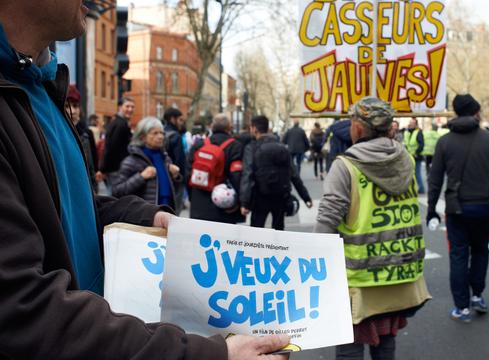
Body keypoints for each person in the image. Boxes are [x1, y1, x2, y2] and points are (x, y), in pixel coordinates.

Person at [0, 1, 289, 358]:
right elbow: (22, 312)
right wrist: (212, 355)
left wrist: (144, 217)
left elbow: (66, 208)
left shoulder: (40, 88)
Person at [315, 97, 430, 360]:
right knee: (386, 343)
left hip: (360, 280)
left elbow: (326, 224)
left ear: (357, 126)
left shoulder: (345, 166)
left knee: (349, 349)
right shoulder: (407, 160)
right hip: (400, 274)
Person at [427, 94, 489, 323]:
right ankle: (478, 296)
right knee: (481, 251)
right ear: (475, 112)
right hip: (484, 207)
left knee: (458, 255)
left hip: (456, 209)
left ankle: (461, 307)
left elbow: (435, 180)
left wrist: (431, 208)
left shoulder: (444, 142)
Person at [240, 115, 313, 230]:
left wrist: (245, 202)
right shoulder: (282, 147)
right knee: (278, 230)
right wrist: (306, 197)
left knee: (256, 231)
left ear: (254, 129)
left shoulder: (252, 148)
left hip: (260, 196)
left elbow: (247, 175)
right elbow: (294, 174)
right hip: (280, 195)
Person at [112, 117, 181, 208]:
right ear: (143, 137)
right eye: (155, 133)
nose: (160, 136)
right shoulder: (132, 160)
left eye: (161, 133)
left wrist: (175, 176)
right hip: (145, 214)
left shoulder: (165, 158)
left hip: (167, 208)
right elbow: (117, 191)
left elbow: (172, 189)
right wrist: (141, 177)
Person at [188, 114, 245, 224]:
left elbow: (188, 173)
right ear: (229, 128)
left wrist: (192, 197)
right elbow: (236, 176)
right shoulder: (235, 146)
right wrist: (239, 202)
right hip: (223, 204)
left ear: (212, 127)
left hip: (198, 202)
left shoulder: (199, 145)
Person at [66, 84, 98, 191]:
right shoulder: (58, 133)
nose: (73, 111)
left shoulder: (87, 133)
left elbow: (92, 166)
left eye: (75, 106)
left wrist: (94, 189)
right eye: (67, 106)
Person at [100, 96, 136, 189]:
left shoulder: (117, 122)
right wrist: (103, 169)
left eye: (132, 107)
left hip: (114, 169)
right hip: (116, 169)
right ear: (120, 107)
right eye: (127, 106)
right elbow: (111, 147)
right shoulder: (121, 124)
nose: (130, 109)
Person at [163, 107, 187, 213]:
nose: (181, 123)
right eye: (180, 120)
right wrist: (182, 177)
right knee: (175, 209)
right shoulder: (176, 136)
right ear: (173, 119)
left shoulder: (161, 132)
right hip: (176, 178)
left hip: (164, 175)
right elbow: (179, 160)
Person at [403, 117, 425, 194]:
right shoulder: (407, 132)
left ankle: (421, 189)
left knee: (417, 173)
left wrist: (416, 153)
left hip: (416, 156)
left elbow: (421, 144)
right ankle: (411, 188)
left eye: (412, 123)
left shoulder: (418, 132)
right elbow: (406, 144)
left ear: (415, 125)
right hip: (409, 156)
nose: (410, 124)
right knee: (409, 173)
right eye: (410, 122)